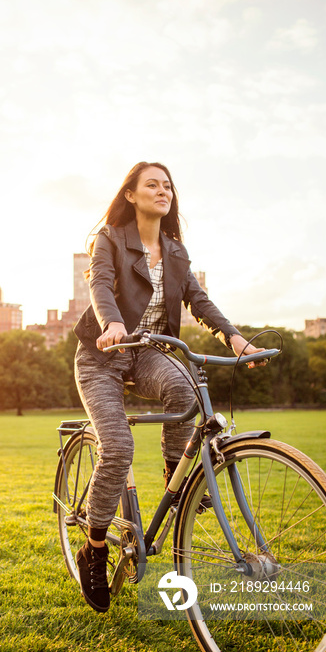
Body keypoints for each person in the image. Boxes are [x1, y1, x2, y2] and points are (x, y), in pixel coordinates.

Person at [73, 161, 265, 613]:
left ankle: (174, 481)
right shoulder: (111, 239)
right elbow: (100, 285)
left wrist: (233, 335)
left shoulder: (176, 251)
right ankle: (95, 549)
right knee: (117, 447)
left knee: (185, 390)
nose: (163, 191)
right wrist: (113, 323)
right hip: (103, 354)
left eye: (168, 186)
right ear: (132, 196)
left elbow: (198, 299)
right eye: (152, 185)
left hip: (148, 353)